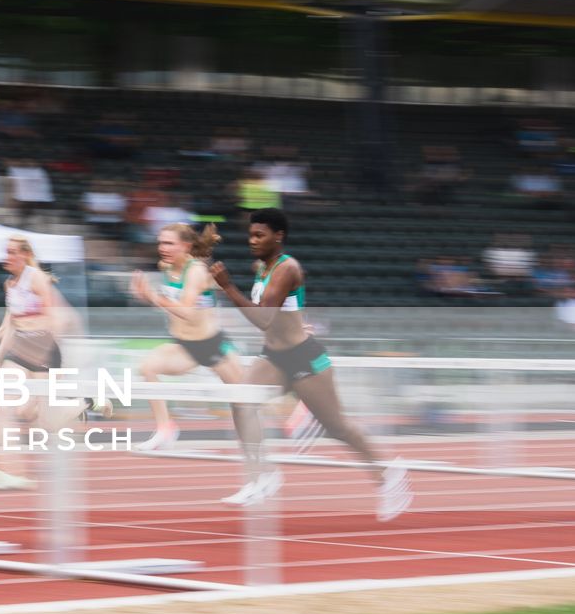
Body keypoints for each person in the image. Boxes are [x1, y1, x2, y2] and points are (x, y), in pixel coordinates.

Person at [209, 209, 410, 521]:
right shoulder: (262, 266)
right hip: (275, 357)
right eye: (250, 234)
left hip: (304, 357)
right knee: (241, 401)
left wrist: (228, 288)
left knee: (337, 427)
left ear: (279, 236)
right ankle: (262, 476)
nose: (252, 240)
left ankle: (389, 476)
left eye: (259, 235)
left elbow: (264, 318)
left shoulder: (287, 267)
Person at [130, 222, 272, 504]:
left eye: (169, 243)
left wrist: (152, 297)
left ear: (186, 246)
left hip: (214, 347)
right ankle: (166, 429)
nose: (163, 248)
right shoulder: (167, 267)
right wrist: (148, 298)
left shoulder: (195, 271)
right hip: (186, 347)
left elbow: (185, 312)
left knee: (243, 411)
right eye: (161, 242)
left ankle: (261, 475)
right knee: (148, 367)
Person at [0, 237, 89, 491]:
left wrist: (45, 352)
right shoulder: (10, 284)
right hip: (20, 351)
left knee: (39, 418)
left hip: (45, 352)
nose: (7, 256)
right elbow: (14, 324)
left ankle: (78, 405)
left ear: (25, 255)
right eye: (5, 251)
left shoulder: (36, 278)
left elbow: (56, 318)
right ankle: (11, 471)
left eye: (12, 252)